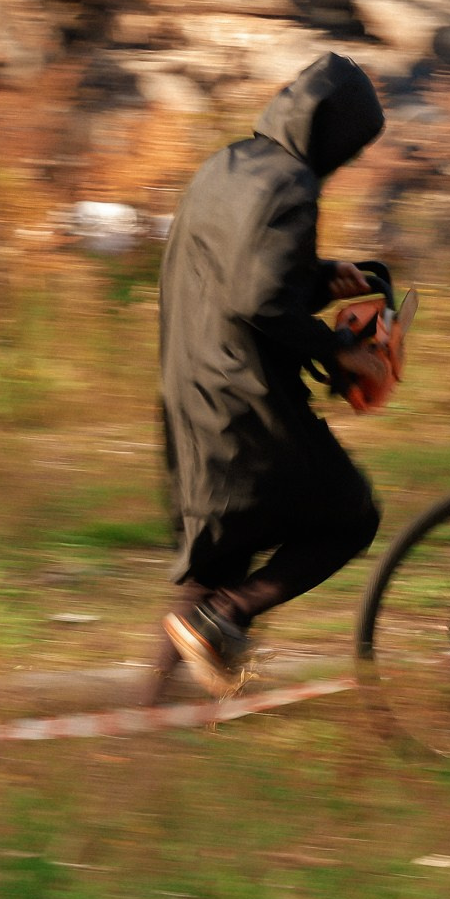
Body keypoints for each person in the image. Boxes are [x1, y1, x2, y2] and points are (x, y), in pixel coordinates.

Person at [151, 52, 391, 700]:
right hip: (246, 401)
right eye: (354, 145)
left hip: (190, 385)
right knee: (350, 517)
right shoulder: (291, 185)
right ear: (334, 130)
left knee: (217, 561)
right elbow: (258, 301)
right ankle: (229, 617)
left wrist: (320, 278)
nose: (350, 159)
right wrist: (339, 353)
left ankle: (142, 724)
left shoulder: (227, 164)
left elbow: (238, 277)